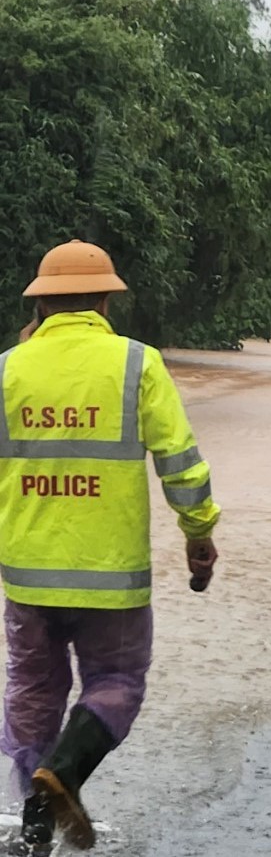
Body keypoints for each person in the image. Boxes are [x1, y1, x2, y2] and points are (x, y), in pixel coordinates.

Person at [1, 240, 221, 852]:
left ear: (42, 303)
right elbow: (180, 463)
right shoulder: (137, 364)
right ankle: (64, 775)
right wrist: (198, 534)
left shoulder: (6, 369)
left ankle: (35, 825)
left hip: (26, 577)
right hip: (112, 577)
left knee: (33, 693)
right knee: (117, 679)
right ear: (103, 299)